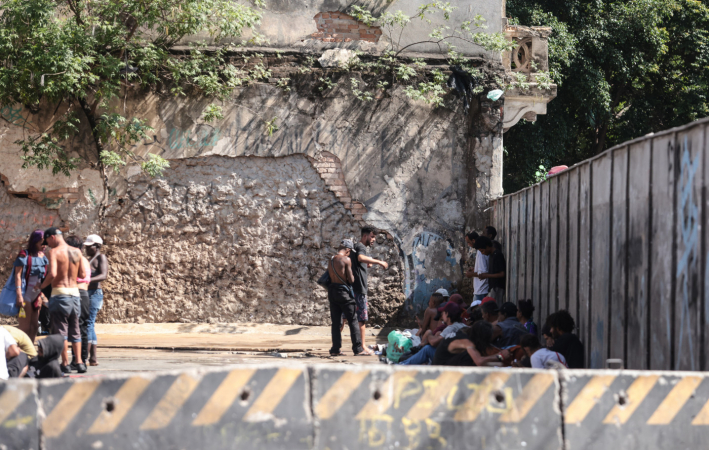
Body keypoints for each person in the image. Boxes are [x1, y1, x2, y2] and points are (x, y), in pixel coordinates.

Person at [36, 227, 86, 373]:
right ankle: (80, 363)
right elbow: (82, 274)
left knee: (61, 332)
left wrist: (41, 286)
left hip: (60, 293)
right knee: (75, 330)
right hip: (75, 295)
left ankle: (65, 363)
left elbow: (52, 273)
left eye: (47, 241)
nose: (48, 245)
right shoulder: (77, 251)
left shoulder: (54, 252)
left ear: (52, 237)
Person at [349, 227, 388, 355]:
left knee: (344, 318)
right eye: (372, 237)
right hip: (359, 288)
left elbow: (358, 260)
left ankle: (336, 347)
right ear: (365, 236)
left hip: (352, 288)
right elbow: (360, 258)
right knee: (361, 319)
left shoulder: (355, 246)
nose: (374, 240)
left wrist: (367, 262)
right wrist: (379, 262)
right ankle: (362, 346)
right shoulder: (361, 246)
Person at [7, 230, 49, 342]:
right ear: (35, 242)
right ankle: (18, 352)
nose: (45, 246)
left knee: (35, 326)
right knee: (24, 327)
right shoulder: (24, 255)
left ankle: (29, 351)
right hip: (25, 294)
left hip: (37, 295)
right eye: (42, 243)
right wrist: (19, 295)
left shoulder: (43, 256)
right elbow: (17, 275)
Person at [327, 240, 364, 356]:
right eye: (349, 251)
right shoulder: (346, 260)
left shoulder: (331, 259)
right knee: (353, 320)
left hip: (332, 292)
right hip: (344, 293)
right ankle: (357, 349)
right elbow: (351, 280)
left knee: (336, 323)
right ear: (348, 250)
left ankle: (335, 349)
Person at [401, 303, 465, 365]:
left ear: (447, 314)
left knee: (427, 348)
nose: (442, 315)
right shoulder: (464, 326)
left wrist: (429, 334)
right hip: (458, 360)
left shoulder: (451, 328)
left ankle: (402, 365)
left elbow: (433, 342)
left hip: (450, 361)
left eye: (443, 313)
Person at [434, 321, 511, 366]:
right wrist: (500, 356)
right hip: (441, 371)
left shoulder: (465, 333)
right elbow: (479, 361)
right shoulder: (466, 342)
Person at [66, 235, 91, 370]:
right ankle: (82, 359)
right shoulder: (85, 260)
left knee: (77, 328)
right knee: (83, 328)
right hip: (85, 295)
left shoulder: (76, 259)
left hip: (78, 294)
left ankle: (78, 360)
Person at [85, 234, 108, 366]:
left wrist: (86, 280)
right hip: (89, 293)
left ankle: (85, 358)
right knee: (90, 325)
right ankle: (93, 358)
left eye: (89, 246)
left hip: (95, 293)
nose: (87, 249)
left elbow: (103, 275)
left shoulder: (101, 257)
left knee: (88, 323)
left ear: (97, 246)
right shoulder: (90, 259)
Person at [473, 236, 506, 303]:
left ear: (487, 246)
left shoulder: (497, 255)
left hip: (497, 287)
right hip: (492, 288)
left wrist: (486, 275)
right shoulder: (491, 255)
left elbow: (502, 274)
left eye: (482, 250)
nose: (482, 253)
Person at [465, 233, 489, 302]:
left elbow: (483, 272)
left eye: (468, 242)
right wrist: (474, 270)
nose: (468, 245)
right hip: (480, 289)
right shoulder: (480, 251)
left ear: (473, 240)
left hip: (481, 289)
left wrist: (471, 274)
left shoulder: (481, 252)